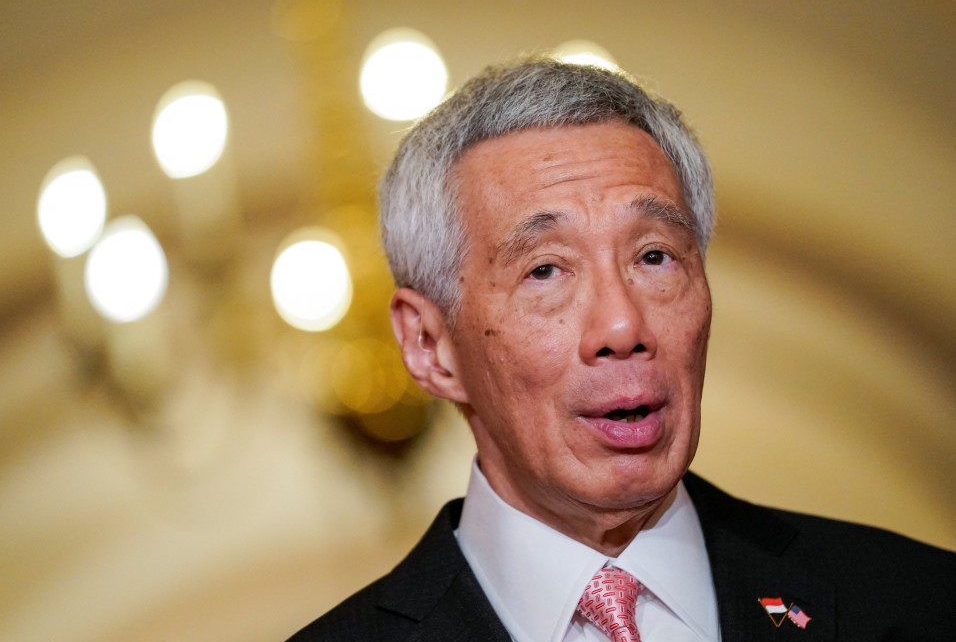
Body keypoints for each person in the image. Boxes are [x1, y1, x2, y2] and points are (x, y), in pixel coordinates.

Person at [290, 58, 954, 641]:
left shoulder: (921, 603)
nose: (621, 326)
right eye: (544, 271)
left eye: (654, 257)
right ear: (429, 346)